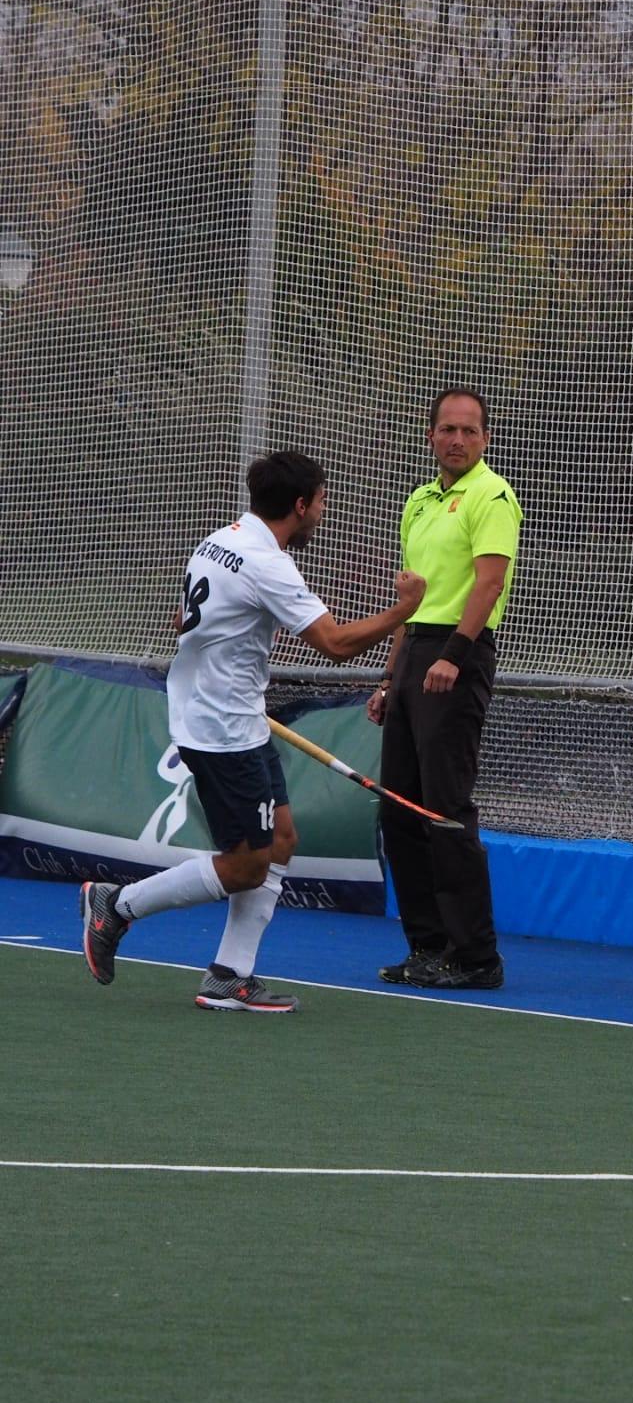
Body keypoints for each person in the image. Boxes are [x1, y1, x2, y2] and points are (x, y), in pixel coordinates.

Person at [81, 450, 425, 1011]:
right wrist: (404, 609)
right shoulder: (269, 564)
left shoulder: (220, 538)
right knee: (246, 864)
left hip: (231, 715)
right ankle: (116, 905)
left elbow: (182, 621)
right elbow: (335, 644)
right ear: (298, 505)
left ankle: (228, 975)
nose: (323, 510)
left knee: (281, 840)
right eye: (320, 501)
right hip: (221, 730)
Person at [369, 387, 523, 990]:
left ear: (485, 439)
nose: (457, 440)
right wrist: (389, 677)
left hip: (459, 654)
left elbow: (487, 585)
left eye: (469, 431)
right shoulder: (418, 501)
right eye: (447, 430)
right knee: (398, 810)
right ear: (431, 436)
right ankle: (427, 948)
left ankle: (477, 956)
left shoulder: (492, 495)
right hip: (415, 657)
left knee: (445, 808)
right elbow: (413, 605)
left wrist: (455, 657)